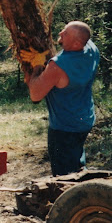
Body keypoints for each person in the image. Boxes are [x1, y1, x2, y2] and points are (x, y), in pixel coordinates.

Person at [23, 21, 100, 176]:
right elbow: (83, 35)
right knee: (76, 162)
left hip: (64, 128)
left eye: (66, 33)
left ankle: (72, 191)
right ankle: (83, 183)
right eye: (64, 29)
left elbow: (35, 95)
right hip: (85, 120)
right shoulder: (92, 49)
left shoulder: (58, 66)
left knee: (64, 176)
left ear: (77, 43)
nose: (60, 33)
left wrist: (37, 65)